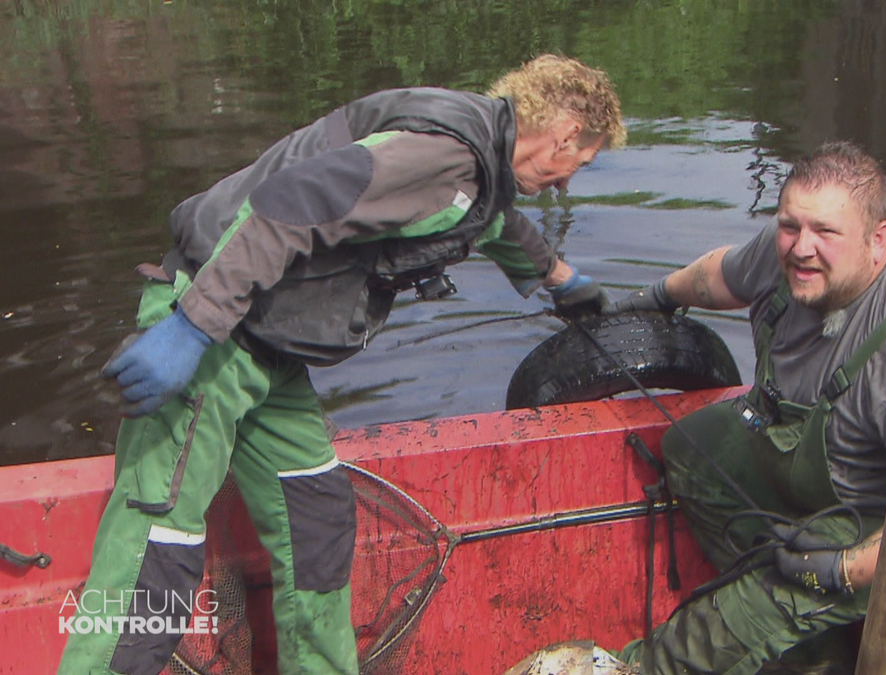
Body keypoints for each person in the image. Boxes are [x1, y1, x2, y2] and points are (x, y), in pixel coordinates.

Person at [60, 54, 625, 675]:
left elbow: (487, 220)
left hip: (270, 350)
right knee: (157, 547)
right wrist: (192, 326)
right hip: (212, 330)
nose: (571, 181)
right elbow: (288, 204)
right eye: (583, 161)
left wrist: (558, 278)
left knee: (316, 520)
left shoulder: (477, 160)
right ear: (567, 134)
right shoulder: (441, 156)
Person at [607, 141, 886, 675]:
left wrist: (842, 569)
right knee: (691, 449)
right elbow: (720, 276)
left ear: (880, 239)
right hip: (848, 466)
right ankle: (813, 657)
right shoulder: (790, 249)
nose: (800, 248)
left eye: (825, 233)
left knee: (756, 605)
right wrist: (653, 299)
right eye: (790, 226)